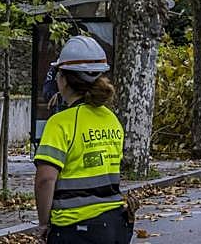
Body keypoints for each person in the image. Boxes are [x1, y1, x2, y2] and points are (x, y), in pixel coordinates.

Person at [34, 35, 131, 243]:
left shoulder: (60, 123)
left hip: (75, 228)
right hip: (115, 224)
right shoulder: (110, 118)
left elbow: (45, 179)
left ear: (64, 79)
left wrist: (43, 223)